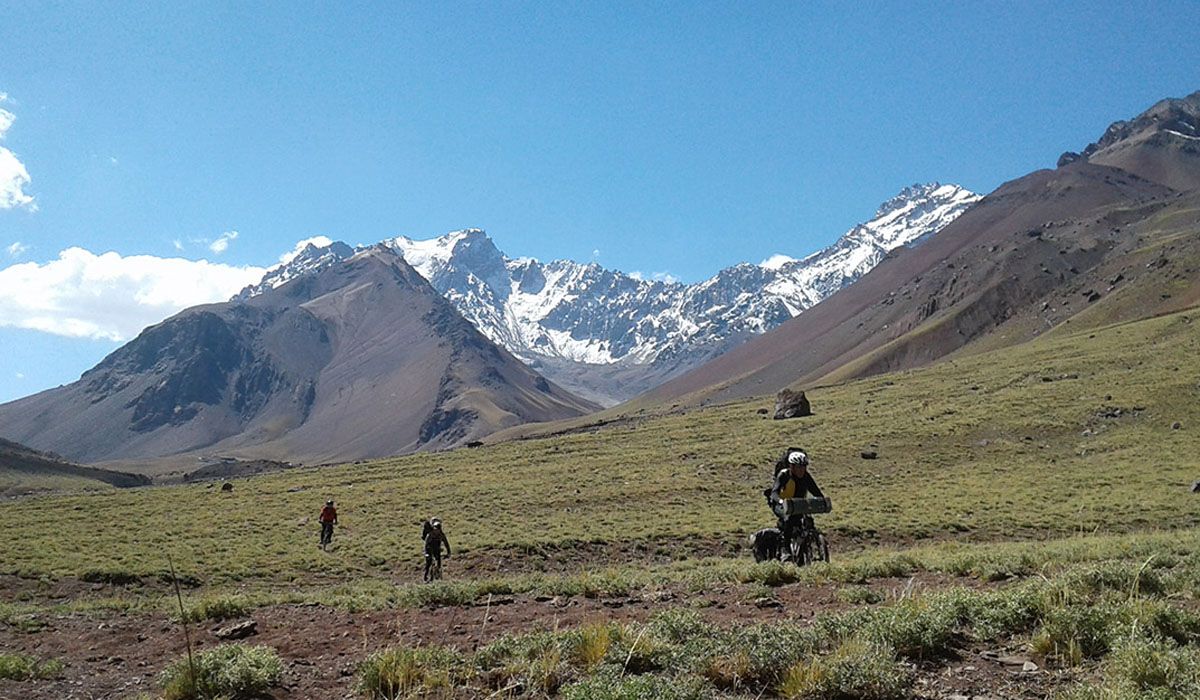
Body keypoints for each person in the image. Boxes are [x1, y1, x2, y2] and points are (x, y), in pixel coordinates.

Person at [766, 449, 826, 552]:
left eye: (804, 467)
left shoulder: (806, 477)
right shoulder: (784, 475)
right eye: (799, 467)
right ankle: (786, 550)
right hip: (780, 505)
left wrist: (822, 500)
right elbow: (774, 492)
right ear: (791, 466)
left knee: (808, 521)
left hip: (798, 505)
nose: (802, 470)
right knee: (788, 519)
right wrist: (780, 501)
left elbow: (816, 491)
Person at [422, 518, 452, 582]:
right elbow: (426, 544)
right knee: (429, 562)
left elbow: (446, 543)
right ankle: (426, 575)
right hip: (429, 549)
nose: (437, 530)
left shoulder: (441, 534)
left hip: (437, 549)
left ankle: (437, 575)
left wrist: (448, 552)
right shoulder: (430, 534)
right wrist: (426, 553)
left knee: (438, 563)